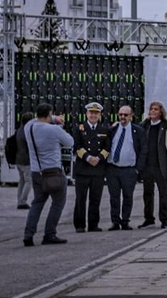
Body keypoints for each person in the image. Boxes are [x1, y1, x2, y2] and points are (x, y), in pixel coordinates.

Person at [22, 104, 74, 246]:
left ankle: (28, 234)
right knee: (58, 203)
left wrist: (52, 117)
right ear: (49, 114)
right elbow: (70, 142)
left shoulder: (29, 128)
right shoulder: (54, 129)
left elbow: (34, 121)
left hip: (36, 173)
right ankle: (49, 234)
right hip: (53, 173)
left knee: (37, 203)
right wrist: (57, 121)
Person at [72, 102, 112, 232]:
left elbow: (107, 148)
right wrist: (88, 158)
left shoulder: (104, 130)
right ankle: (80, 225)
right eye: (91, 113)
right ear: (86, 114)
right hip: (83, 169)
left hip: (98, 169)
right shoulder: (79, 128)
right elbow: (77, 146)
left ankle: (93, 224)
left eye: (96, 113)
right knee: (80, 199)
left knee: (95, 198)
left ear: (100, 115)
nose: (93, 115)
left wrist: (99, 158)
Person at [105, 105, 141, 230]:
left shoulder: (137, 130)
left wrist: (138, 169)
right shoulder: (112, 130)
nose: (122, 117)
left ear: (131, 116)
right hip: (113, 168)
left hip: (129, 169)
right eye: (120, 114)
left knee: (127, 196)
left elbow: (143, 150)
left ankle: (125, 220)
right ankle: (115, 221)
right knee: (114, 197)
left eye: (125, 115)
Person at [139, 102, 167, 228]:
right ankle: (149, 218)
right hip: (147, 165)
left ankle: (164, 218)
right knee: (147, 193)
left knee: (163, 193)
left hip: (160, 165)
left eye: (156, 109)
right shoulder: (144, 125)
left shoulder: (166, 126)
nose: (153, 111)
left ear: (161, 112)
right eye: (151, 109)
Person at [8, 123, 32, 209]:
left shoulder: (18, 131)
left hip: (18, 159)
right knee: (29, 181)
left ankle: (19, 200)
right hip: (26, 160)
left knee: (22, 181)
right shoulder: (27, 132)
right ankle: (22, 201)